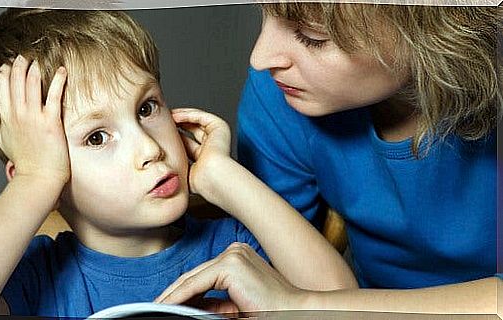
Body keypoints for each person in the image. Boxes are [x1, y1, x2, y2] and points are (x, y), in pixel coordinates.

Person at [0, 8, 356, 317]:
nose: (150, 149)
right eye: (96, 136)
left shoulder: (235, 248)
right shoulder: (38, 277)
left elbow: (345, 303)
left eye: (146, 109)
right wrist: (36, 178)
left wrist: (223, 176)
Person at [156, 2, 502, 314]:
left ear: (438, 33)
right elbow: (279, 284)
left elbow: (302, 301)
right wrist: (226, 180)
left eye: (312, 37)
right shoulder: (279, 99)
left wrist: (305, 303)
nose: (260, 57)